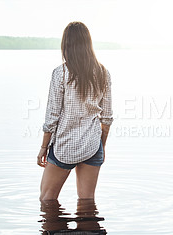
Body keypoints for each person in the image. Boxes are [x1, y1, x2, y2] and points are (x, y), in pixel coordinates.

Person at [37, 21, 113, 201]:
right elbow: (107, 118)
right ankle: (88, 228)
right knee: (87, 202)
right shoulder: (103, 72)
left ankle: (55, 228)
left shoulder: (61, 73)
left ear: (66, 45)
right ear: (89, 44)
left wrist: (43, 148)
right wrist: (101, 146)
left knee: (47, 199)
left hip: (65, 145)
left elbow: (52, 117)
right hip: (93, 145)